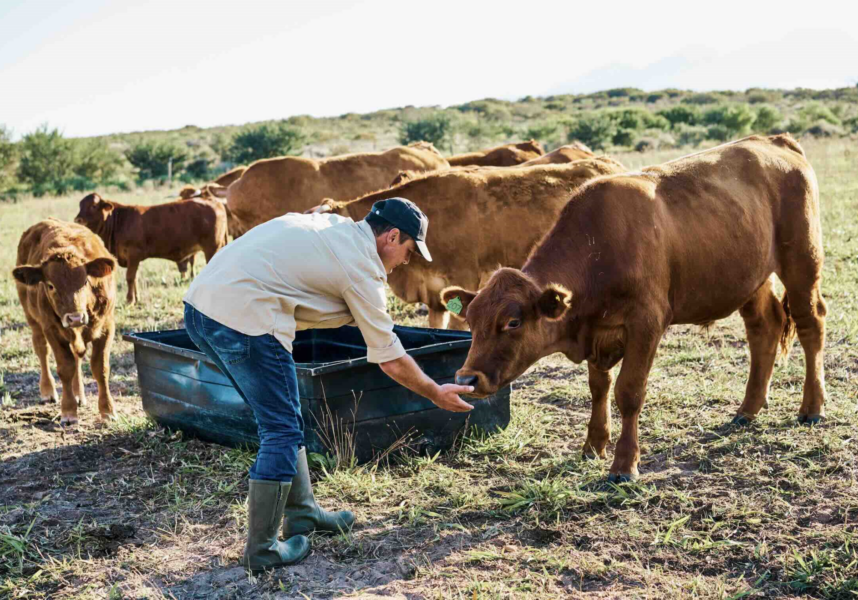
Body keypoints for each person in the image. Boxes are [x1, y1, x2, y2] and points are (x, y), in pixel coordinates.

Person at [182, 198, 474, 573]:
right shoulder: (361, 269)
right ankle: (263, 549)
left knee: (285, 418)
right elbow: (388, 358)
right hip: (243, 320)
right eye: (409, 250)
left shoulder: (334, 227)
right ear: (392, 236)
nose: (406, 260)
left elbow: (305, 227)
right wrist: (435, 392)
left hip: (201, 308)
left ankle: (303, 514)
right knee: (281, 430)